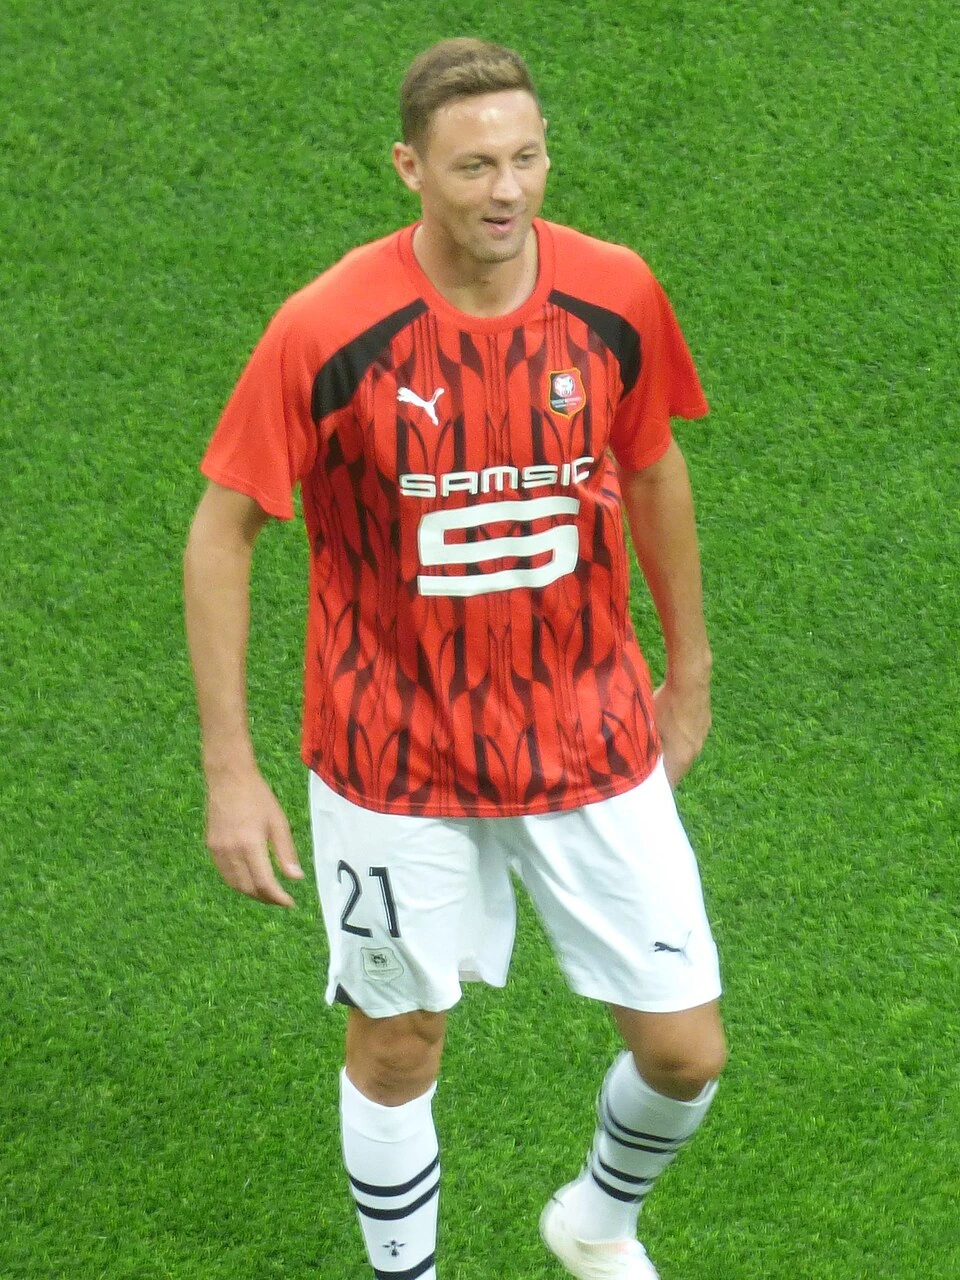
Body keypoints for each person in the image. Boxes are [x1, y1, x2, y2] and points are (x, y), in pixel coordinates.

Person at [184, 36, 726, 1280]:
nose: (507, 189)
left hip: (589, 733)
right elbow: (223, 530)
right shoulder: (328, 328)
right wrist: (232, 766)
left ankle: (595, 1217)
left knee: (686, 1049)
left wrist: (686, 671)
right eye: (474, 163)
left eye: (526, 157)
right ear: (409, 169)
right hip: (391, 754)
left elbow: (651, 465)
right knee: (397, 1043)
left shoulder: (616, 293)